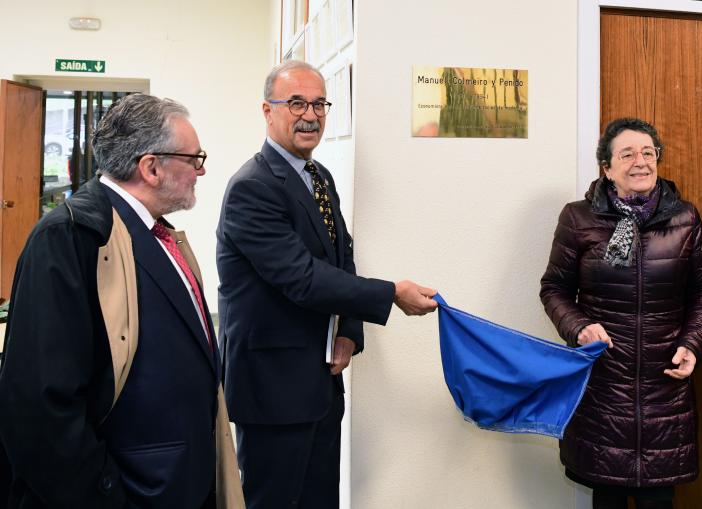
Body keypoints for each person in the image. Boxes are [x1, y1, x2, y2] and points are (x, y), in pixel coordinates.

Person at [0, 94, 242, 507]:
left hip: (172, 483)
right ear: (151, 167)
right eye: (193, 159)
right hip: (128, 490)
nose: (201, 170)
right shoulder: (70, 237)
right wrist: (107, 495)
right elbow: (41, 408)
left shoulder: (154, 233)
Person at [216, 60, 438, 508]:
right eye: (296, 102)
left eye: (319, 103)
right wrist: (391, 293)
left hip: (319, 382)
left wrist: (350, 333)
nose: (311, 115)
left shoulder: (318, 177)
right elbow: (301, 276)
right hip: (272, 389)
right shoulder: (252, 187)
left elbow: (342, 255)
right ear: (267, 110)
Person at [540, 118, 702, 509]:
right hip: (603, 386)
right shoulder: (578, 218)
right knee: (606, 496)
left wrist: (693, 342)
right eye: (627, 154)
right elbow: (553, 288)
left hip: (665, 387)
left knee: (658, 499)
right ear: (606, 167)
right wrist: (580, 326)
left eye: (648, 153)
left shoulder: (685, 219)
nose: (641, 162)